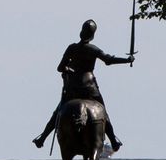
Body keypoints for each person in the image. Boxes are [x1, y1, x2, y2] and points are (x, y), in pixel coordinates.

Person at [32, 18, 134, 152]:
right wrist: (127, 60)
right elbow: (108, 60)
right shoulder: (93, 49)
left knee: (58, 112)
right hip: (90, 88)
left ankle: (42, 137)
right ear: (93, 35)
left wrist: (68, 70)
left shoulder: (72, 48)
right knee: (103, 111)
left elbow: (60, 68)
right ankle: (113, 140)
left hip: (73, 88)